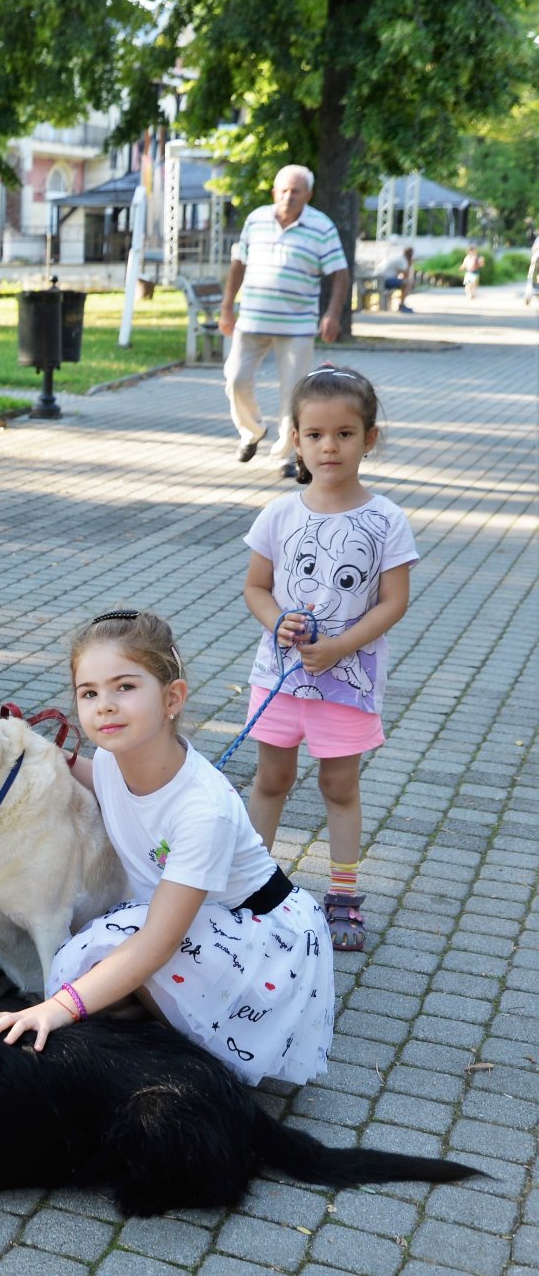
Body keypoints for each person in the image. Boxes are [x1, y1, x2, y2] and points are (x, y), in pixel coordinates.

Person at [0, 610, 335, 1088]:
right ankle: (150, 1022)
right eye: (89, 693)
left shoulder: (201, 811)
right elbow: (89, 777)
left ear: (173, 698)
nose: (104, 705)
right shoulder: (112, 760)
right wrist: (31, 752)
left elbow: (158, 941)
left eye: (124, 687)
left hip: (259, 941)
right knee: (99, 969)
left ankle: (197, 1061)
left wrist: (56, 1008)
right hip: (196, 922)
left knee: (104, 955)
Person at [241, 365, 416, 953]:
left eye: (344, 433)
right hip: (279, 680)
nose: (329, 446)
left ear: (369, 438)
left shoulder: (386, 519)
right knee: (272, 779)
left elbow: (395, 601)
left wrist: (342, 646)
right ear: (295, 438)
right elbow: (256, 589)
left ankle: (342, 893)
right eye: (315, 434)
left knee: (339, 786)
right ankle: (252, 884)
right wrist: (276, 621)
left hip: (347, 685)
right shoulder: (278, 514)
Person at [219, 165, 349, 482]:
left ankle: (288, 455)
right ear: (274, 192)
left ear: (309, 194)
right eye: (284, 190)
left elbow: (341, 274)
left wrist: (332, 313)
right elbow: (238, 265)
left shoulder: (321, 226)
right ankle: (251, 432)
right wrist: (227, 308)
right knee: (235, 378)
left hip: (297, 324)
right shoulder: (256, 219)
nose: (289, 197)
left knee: (294, 393)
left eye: (296, 191)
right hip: (252, 319)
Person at [379, 247, 415, 314]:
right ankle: (402, 305)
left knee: (406, 282)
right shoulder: (402, 260)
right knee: (408, 282)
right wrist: (410, 265)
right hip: (385, 280)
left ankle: (401, 304)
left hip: (380, 280)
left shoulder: (398, 257)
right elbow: (406, 276)